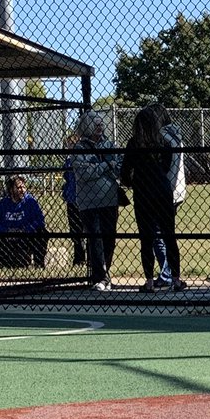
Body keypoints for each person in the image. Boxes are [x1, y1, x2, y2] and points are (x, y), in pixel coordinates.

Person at [120, 105, 187, 293]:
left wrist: (134, 181)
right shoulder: (164, 143)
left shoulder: (133, 144)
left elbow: (125, 172)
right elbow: (167, 166)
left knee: (146, 238)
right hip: (162, 190)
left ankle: (149, 281)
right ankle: (176, 279)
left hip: (143, 191)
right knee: (169, 235)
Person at [71, 110, 122, 291]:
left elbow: (120, 166)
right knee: (96, 239)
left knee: (109, 238)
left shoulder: (109, 145)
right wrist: (106, 165)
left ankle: (105, 273)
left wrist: (104, 167)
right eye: (96, 123)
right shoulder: (79, 149)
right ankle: (99, 277)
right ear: (87, 126)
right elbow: (84, 173)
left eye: (101, 123)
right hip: (89, 202)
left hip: (110, 199)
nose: (100, 126)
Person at [149, 104, 185, 287]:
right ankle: (170, 273)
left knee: (157, 233)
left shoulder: (161, 137)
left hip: (165, 190)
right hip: (177, 188)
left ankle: (166, 273)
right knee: (166, 232)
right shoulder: (176, 134)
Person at [0, 174, 48, 267]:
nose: (22, 190)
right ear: (11, 190)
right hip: (7, 236)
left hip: (25, 236)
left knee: (43, 233)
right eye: (18, 187)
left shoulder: (30, 201)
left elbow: (40, 221)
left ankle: (39, 264)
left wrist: (26, 229)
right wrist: (6, 231)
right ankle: (2, 262)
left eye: (24, 187)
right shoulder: (3, 203)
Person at [61, 155, 86, 266]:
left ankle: (89, 259)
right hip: (73, 199)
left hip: (86, 199)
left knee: (88, 229)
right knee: (76, 230)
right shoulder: (69, 161)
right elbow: (66, 176)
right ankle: (79, 258)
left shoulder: (85, 158)